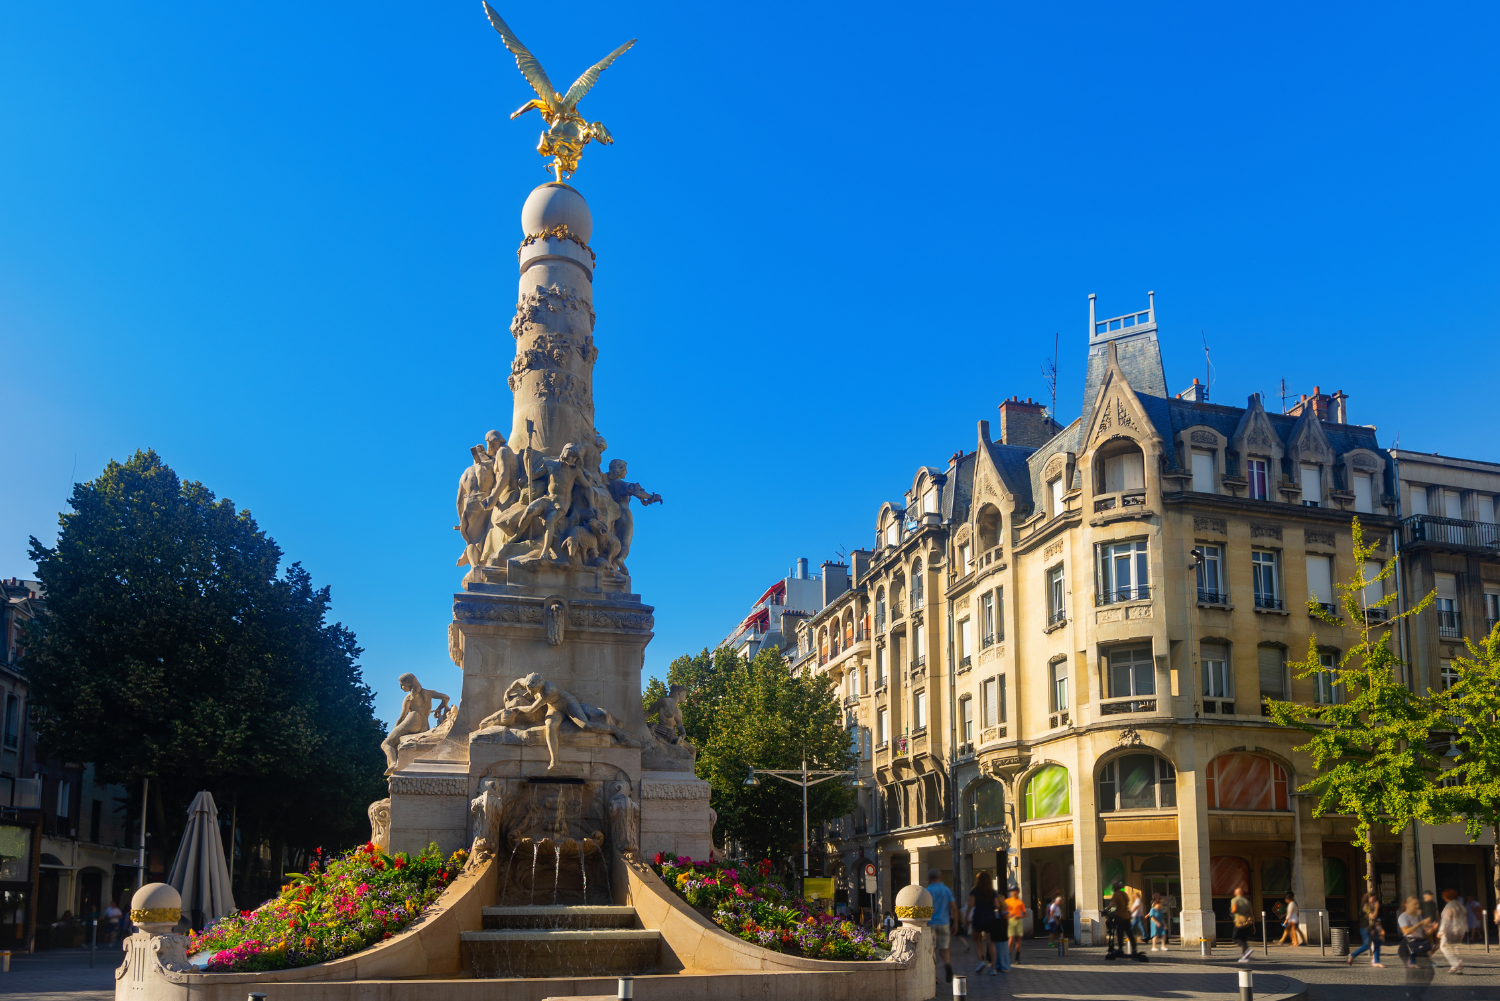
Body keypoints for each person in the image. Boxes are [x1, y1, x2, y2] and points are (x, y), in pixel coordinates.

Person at [924, 869, 958, 983]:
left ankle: (934, 976)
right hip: (944, 923)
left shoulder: (927, 891)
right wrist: (956, 924)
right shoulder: (946, 890)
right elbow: (954, 907)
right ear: (940, 877)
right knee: (945, 948)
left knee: (932, 950)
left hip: (931, 924)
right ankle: (947, 965)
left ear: (929, 878)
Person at [969, 871, 999, 976]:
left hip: (978, 916)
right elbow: (997, 904)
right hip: (990, 917)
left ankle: (981, 961)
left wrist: (966, 915)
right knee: (992, 943)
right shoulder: (992, 891)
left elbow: (971, 903)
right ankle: (993, 967)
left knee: (976, 939)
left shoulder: (975, 890)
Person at [1347, 893, 1385, 967]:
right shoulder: (1365, 907)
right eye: (1372, 898)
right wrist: (1377, 908)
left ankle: (1376, 962)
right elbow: (1373, 916)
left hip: (1373, 928)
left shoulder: (1373, 906)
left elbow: (1377, 918)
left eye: (1374, 898)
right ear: (1368, 898)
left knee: (1377, 943)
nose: (1373, 900)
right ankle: (1352, 955)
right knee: (1367, 945)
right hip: (1365, 929)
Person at [1398, 895, 1432, 967]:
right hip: (1410, 940)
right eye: (1415, 904)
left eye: (1418, 904)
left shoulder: (1418, 916)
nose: (1417, 906)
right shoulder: (1403, 917)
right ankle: (1412, 962)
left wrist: (1430, 927)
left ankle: (1416, 961)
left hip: (1419, 939)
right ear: (1407, 905)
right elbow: (1406, 931)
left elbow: (1423, 929)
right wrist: (1420, 924)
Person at [1437, 889, 1466, 974]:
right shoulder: (1459, 905)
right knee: (1455, 948)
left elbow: (1446, 920)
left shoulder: (1449, 906)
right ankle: (1458, 966)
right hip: (1460, 929)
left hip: (1450, 929)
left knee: (1444, 947)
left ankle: (1456, 964)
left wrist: (1441, 931)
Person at [1231, 884, 1256, 964]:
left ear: (1237, 893)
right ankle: (1245, 956)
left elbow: (1234, 910)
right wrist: (1253, 925)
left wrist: (1232, 911)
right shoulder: (1247, 901)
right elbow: (1252, 913)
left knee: (1235, 937)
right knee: (1244, 938)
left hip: (1239, 921)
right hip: (1247, 922)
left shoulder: (1235, 900)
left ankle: (1247, 950)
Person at [1004, 886, 1026, 964]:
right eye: (1011, 891)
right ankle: (1008, 957)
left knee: (1018, 940)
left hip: (1018, 921)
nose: (1012, 893)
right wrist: (1008, 916)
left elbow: (1025, 914)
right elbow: (1004, 912)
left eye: (1014, 891)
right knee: (1011, 939)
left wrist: (1019, 916)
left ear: (1018, 892)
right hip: (1010, 921)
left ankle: (1017, 958)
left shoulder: (1020, 902)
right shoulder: (1007, 901)